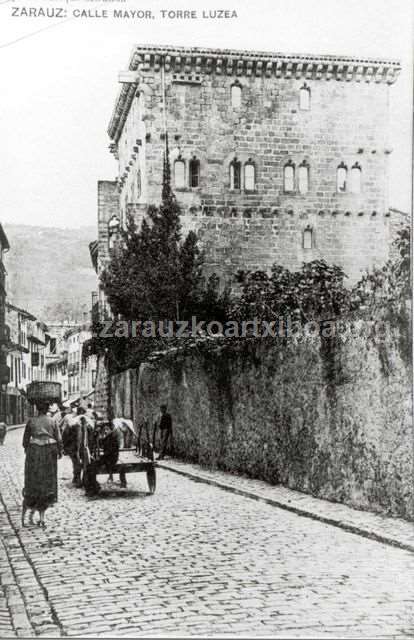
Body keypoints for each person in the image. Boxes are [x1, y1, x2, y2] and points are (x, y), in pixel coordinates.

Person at [22, 399, 63, 528]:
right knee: (47, 481)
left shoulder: (31, 421)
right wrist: (60, 451)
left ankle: (32, 510)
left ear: (37, 409)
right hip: (49, 452)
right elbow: (59, 438)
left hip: (34, 452)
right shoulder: (52, 421)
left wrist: (28, 450)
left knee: (33, 480)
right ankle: (42, 514)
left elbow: (25, 440)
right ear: (47, 409)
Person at [61, 405, 82, 486]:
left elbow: (64, 432)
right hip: (81, 442)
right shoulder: (84, 418)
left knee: (75, 460)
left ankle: (77, 477)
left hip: (73, 443)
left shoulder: (71, 420)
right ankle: (77, 477)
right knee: (76, 460)